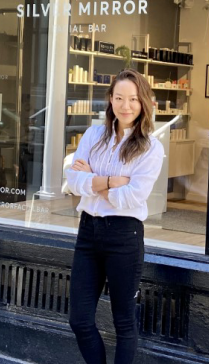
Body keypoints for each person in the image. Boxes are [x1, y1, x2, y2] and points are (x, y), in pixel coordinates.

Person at [64, 69, 165, 364]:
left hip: (124, 236)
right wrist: (110, 182)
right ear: (110, 100)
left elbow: (132, 197)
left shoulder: (149, 148)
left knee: (124, 323)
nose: (126, 106)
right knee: (79, 320)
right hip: (88, 234)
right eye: (119, 98)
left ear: (144, 102)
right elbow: (73, 181)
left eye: (133, 99)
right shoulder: (94, 134)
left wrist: (92, 181)